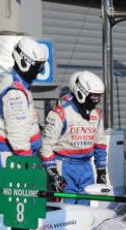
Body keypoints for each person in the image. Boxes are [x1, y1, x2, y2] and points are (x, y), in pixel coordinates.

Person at [40, 71, 108, 204]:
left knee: (85, 211)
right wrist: (54, 174)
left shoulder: (97, 114)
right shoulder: (60, 112)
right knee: (66, 212)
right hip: (64, 166)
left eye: (99, 96)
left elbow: (100, 145)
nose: (96, 99)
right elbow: (46, 147)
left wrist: (101, 173)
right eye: (93, 95)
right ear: (81, 92)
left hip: (86, 167)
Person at [0, 36, 48, 180]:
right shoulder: (15, 92)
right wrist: (27, 163)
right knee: (19, 202)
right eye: (37, 67)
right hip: (13, 159)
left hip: (18, 156)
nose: (39, 72)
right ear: (24, 62)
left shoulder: (18, 85)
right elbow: (17, 133)